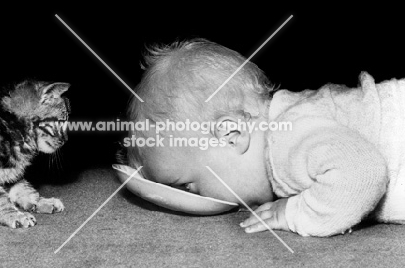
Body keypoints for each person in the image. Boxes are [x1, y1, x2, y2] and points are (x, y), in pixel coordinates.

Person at [120, 38, 405, 237]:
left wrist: (295, 213)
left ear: (231, 134)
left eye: (189, 186)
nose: (195, 197)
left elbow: (364, 173)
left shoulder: (287, 141)